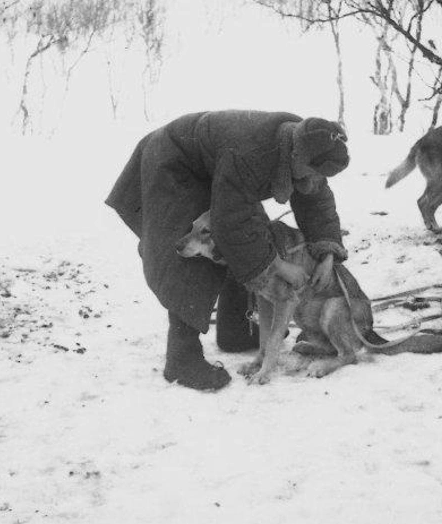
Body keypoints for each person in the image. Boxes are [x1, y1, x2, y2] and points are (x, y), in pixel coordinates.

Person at [105, 110, 350, 391]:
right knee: (192, 253)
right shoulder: (252, 153)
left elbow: (316, 200)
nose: (315, 178)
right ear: (298, 157)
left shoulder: (308, 144)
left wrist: (327, 253)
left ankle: (234, 331)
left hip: (219, 170)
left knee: (250, 237)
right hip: (171, 163)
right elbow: (232, 222)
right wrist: (281, 266)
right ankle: (182, 358)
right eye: (313, 171)